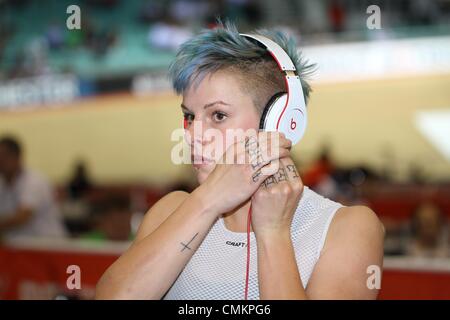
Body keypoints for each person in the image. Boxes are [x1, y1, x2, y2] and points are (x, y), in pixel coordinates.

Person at [95, 22, 384, 300]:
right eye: (190, 116)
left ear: (279, 122)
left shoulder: (346, 227)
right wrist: (208, 200)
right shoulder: (169, 211)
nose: (193, 134)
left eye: (218, 115)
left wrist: (273, 234)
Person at [0, 135, 67, 241]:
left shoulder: (34, 181)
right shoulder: (2, 184)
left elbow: (22, 217)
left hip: (47, 246)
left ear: (17, 156)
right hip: (18, 247)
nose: (1, 162)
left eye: (4, 157)